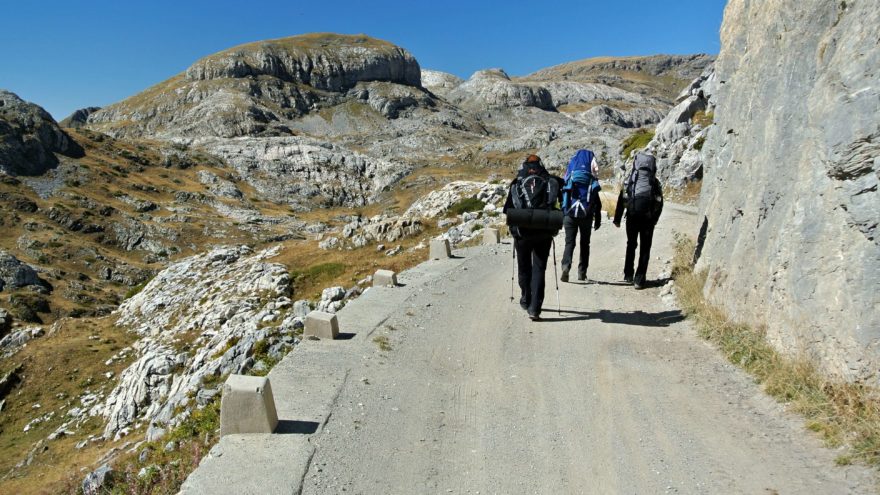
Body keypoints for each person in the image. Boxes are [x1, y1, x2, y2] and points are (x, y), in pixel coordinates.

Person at [503, 154, 563, 320]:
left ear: (525, 165)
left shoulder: (518, 181)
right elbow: (561, 202)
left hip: (522, 231)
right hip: (544, 230)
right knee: (539, 268)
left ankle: (525, 297)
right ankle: (535, 308)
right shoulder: (551, 180)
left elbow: (507, 209)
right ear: (540, 164)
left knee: (524, 266)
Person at [613, 152, 663, 289]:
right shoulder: (654, 182)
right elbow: (659, 202)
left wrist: (617, 219)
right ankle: (639, 280)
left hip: (632, 216)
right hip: (648, 219)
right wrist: (655, 219)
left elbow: (622, 199)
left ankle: (628, 274)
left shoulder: (630, 180)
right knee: (645, 248)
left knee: (631, 244)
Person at [559, 150, 602, 283]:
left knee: (569, 242)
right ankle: (582, 273)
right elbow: (597, 201)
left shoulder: (571, 173)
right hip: (586, 215)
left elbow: (563, 193)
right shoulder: (591, 178)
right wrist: (598, 218)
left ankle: (566, 267)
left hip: (569, 214)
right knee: (585, 243)